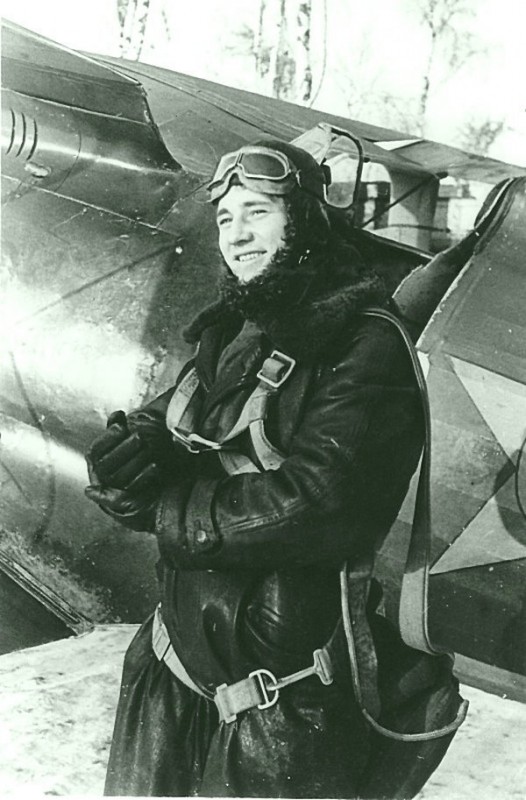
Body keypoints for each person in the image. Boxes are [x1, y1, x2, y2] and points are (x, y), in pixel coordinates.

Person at [85, 139, 462, 798]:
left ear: (306, 219)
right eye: (225, 218)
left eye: (257, 212)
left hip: (279, 710)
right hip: (172, 668)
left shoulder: (367, 344)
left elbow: (319, 502)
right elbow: (178, 412)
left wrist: (168, 511)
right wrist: (125, 456)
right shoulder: (240, 325)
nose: (236, 235)